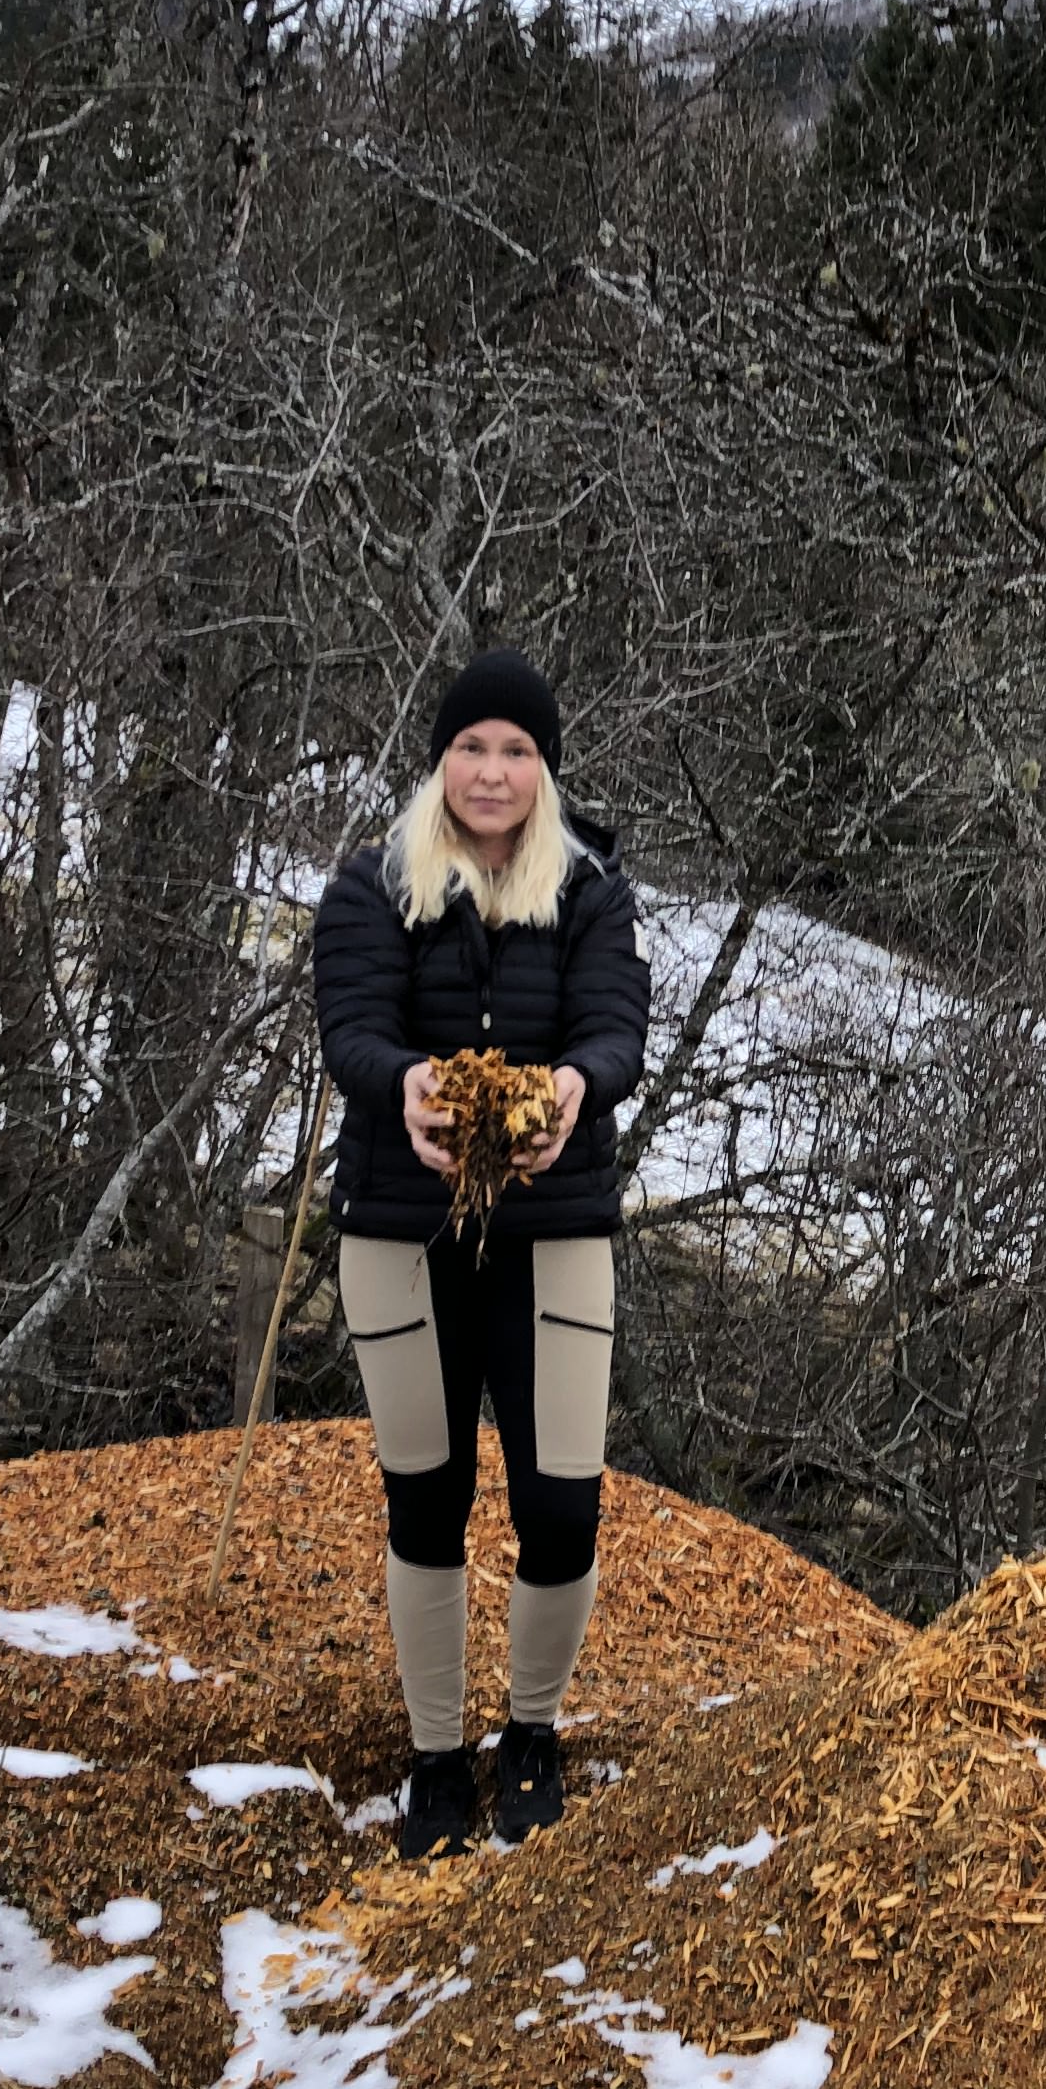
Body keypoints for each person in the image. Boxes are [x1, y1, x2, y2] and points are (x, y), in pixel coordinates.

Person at [309, 650, 649, 1858]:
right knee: (427, 1496)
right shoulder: (371, 884)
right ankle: (438, 1754)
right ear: (439, 761)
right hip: (405, 1229)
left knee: (561, 1505)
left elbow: (616, 1031)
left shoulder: (594, 890)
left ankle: (535, 1730)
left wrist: (571, 1086)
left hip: (553, 1231)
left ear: (543, 769)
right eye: (472, 748)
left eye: (515, 751)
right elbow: (352, 1025)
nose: (493, 772)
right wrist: (405, 1085)